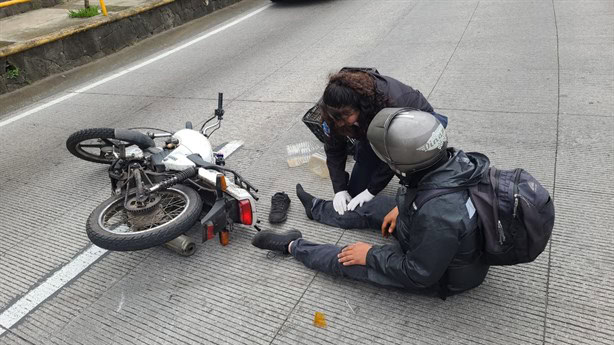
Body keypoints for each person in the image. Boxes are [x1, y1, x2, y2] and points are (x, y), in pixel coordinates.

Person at [252, 109, 489, 297]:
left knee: (349, 258)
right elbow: (429, 197)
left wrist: (370, 254)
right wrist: (403, 207)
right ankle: (317, 209)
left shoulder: (439, 215)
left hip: (440, 273)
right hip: (439, 239)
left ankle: (293, 245)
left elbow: (419, 272)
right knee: (379, 206)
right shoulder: (448, 162)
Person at [318, 68, 448, 216]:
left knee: (419, 185)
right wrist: (339, 188)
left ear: (360, 106)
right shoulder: (332, 110)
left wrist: (371, 191)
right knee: (354, 193)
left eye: (346, 116)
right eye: (337, 119)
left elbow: (395, 156)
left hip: (418, 128)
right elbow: (334, 150)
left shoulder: (388, 103)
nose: (341, 123)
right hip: (372, 128)